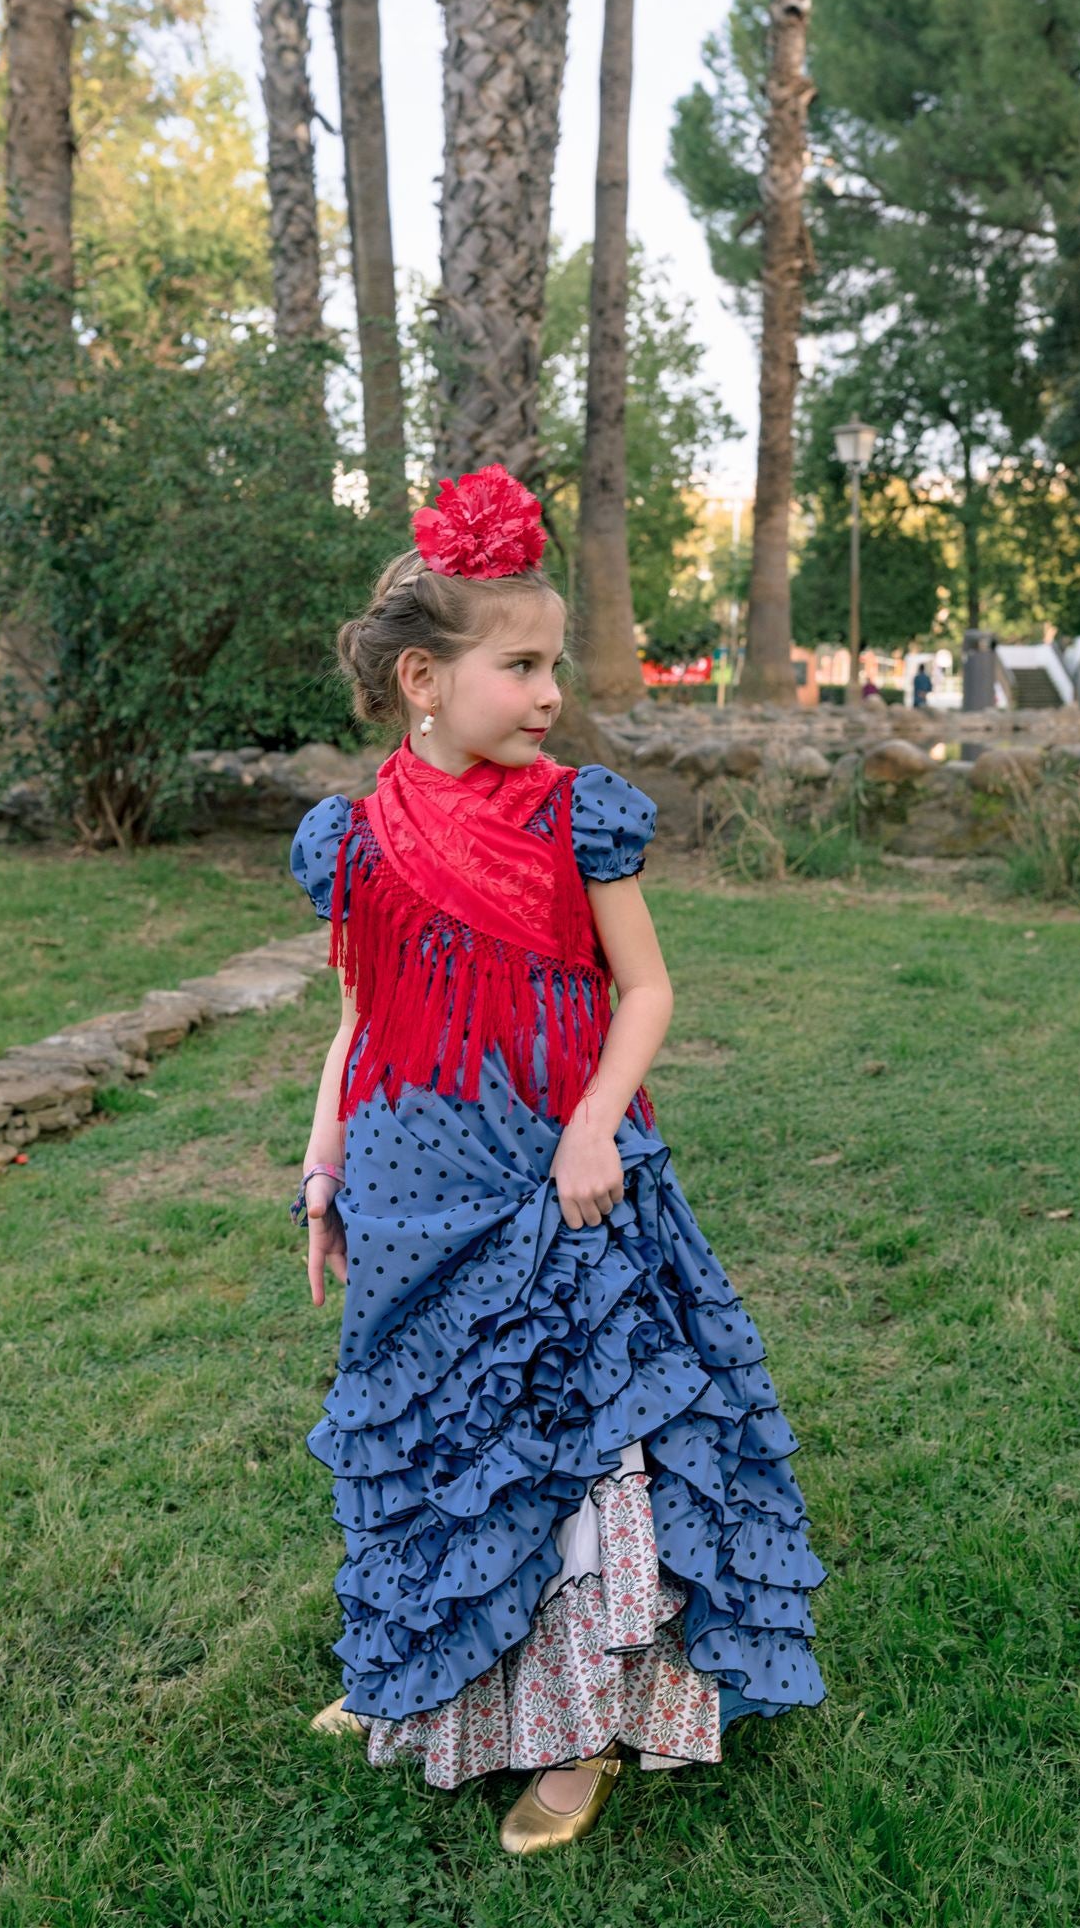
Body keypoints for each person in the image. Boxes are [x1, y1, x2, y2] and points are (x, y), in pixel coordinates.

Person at [288, 464, 828, 1856]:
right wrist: (320, 1168)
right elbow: (360, 1017)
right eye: (518, 666)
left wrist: (594, 1124)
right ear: (424, 677)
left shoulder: (575, 813)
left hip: (562, 1186)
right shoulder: (354, 840)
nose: (548, 694)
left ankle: (580, 1729)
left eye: (552, 667)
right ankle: (419, 1676)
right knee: (427, 1446)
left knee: (583, 1455)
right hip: (412, 1192)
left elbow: (644, 991)